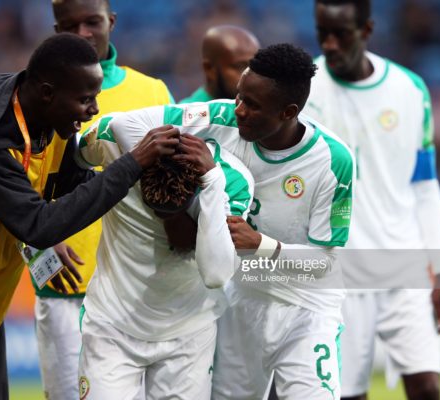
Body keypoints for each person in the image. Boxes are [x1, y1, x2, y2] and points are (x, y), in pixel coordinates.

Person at [0, 32, 179, 400]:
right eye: (85, 99)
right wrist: (132, 163)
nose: (94, 109)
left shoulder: (48, 119)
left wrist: (148, 185)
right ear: (48, 92)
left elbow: (67, 183)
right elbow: (38, 223)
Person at [104, 43, 355, 400]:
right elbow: (130, 123)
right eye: (239, 97)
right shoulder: (219, 117)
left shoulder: (333, 160)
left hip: (305, 310)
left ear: (288, 111)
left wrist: (261, 245)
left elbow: (326, 266)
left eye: (253, 105)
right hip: (238, 303)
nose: (239, 110)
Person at [304, 1, 440, 399]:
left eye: (341, 33)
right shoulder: (305, 87)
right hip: (341, 272)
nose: (330, 43)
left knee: (427, 387)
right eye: (322, 32)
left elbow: (424, 186)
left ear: (367, 30)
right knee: (349, 394)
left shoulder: (409, 90)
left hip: (403, 267)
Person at [35, 1, 175, 398]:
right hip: (66, 281)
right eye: (70, 25)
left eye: (92, 22)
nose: (82, 33)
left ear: (111, 22)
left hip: (140, 283)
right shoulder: (37, 96)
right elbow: (21, 182)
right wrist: (36, 240)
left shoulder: (152, 91)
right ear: (55, 28)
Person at [76, 113, 254, 399]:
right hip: (112, 325)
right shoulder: (112, 140)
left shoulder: (233, 183)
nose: (166, 219)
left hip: (188, 334)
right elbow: (74, 157)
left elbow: (216, 274)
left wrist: (212, 182)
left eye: (175, 212)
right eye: (155, 210)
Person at [180, 25, 260, 103]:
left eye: (254, 66)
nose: (250, 76)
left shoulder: (261, 111)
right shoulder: (186, 114)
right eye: (239, 67)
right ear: (209, 69)